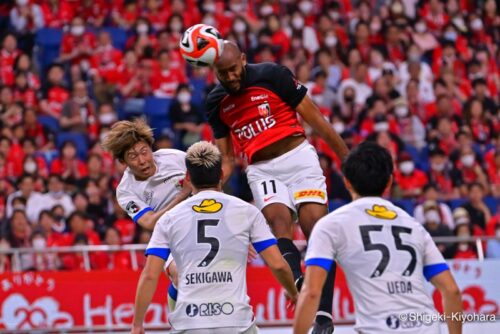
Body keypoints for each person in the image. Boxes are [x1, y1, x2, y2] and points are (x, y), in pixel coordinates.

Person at [206, 40, 348, 332]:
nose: (230, 77)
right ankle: (297, 283)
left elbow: (316, 119)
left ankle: (324, 316)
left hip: (299, 159)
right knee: (278, 221)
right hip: (261, 169)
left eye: (234, 69)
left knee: (316, 229)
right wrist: (210, 186)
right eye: (223, 74)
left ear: (243, 60)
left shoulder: (273, 74)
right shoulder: (215, 102)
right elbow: (228, 157)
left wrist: (347, 158)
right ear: (214, 72)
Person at [294, 142, 463, 334]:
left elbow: (312, 292)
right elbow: (452, 291)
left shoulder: (330, 225)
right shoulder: (413, 224)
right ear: (389, 182)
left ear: (347, 181)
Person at [131, 141, 298, 334]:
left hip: (189, 324)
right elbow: (277, 264)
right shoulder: (247, 211)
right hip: (236, 323)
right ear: (221, 175)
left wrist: (137, 324)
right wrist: (292, 292)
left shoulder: (169, 218)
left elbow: (150, 274)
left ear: (187, 177)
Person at [102, 118, 190, 303]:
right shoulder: (125, 190)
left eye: (144, 152)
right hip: (170, 235)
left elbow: (210, 182)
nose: (142, 160)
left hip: (201, 219)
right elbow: (149, 222)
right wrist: (182, 195)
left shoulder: (173, 157)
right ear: (122, 161)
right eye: (133, 156)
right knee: (181, 276)